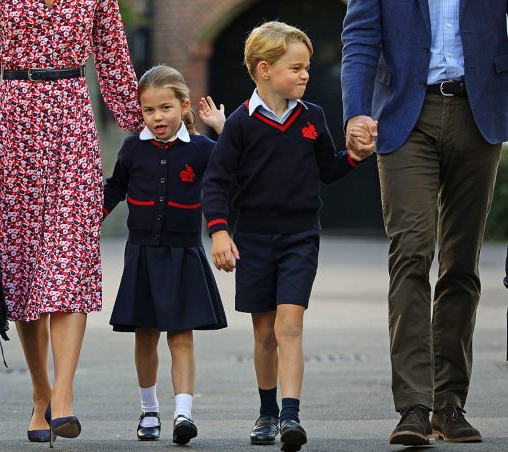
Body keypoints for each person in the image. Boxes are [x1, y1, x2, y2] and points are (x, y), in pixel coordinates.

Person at [0, 0, 143, 446]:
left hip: (73, 120)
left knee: (70, 258)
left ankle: (64, 394)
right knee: (23, 267)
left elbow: (115, 59)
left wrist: (153, 125)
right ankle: (41, 390)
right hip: (14, 123)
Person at [341, 0, 508, 446]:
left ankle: (450, 404)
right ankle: (414, 405)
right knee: (412, 251)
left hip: (480, 114)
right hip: (404, 117)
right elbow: (359, 39)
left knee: (461, 263)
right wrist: (356, 110)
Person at [202, 21, 374, 452]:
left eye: (308, 68)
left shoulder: (313, 117)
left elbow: (328, 170)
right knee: (263, 334)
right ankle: (267, 411)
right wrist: (219, 233)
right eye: (296, 68)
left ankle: (291, 416)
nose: (305, 75)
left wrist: (354, 157)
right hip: (254, 239)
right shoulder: (240, 124)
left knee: (289, 325)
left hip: (300, 237)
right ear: (264, 69)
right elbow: (215, 182)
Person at [103, 65, 228, 445]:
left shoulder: (205, 150)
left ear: (184, 106)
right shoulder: (132, 148)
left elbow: (239, 167)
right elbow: (115, 188)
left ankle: (183, 415)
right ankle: (150, 410)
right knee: (145, 334)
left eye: (166, 108)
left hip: (183, 254)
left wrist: (223, 129)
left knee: (181, 335)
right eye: (149, 110)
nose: (158, 117)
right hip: (141, 253)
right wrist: (85, 221)